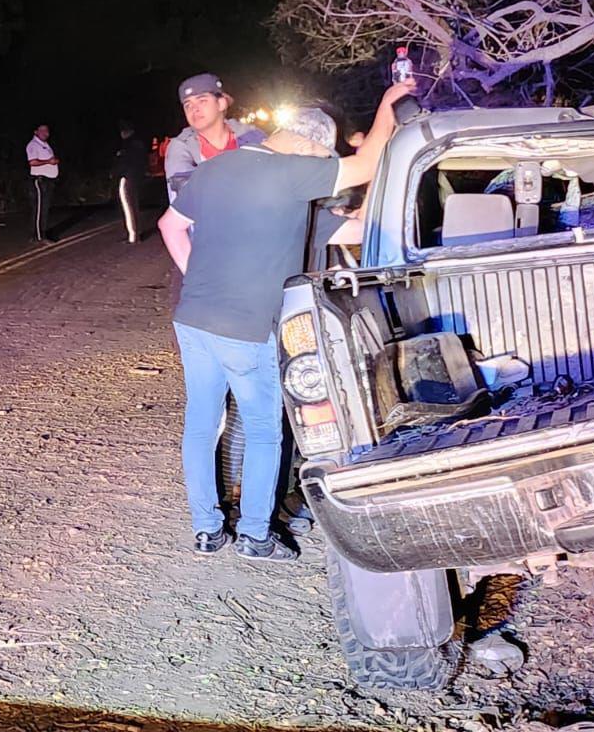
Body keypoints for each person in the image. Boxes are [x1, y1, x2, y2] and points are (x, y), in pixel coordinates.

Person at [155, 79, 418, 561]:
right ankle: (255, 534)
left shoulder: (215, 168)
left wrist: (201, 277)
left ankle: (206, 529)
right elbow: (366, 163)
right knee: (263, 429)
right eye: (321, 157)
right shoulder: (294, 172)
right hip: (246, 326)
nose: (322, 167)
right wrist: (387, 104)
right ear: (306, 144)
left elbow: (168, 226)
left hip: (193, 319)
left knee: (200, 424)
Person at [164, 74, 266, 203]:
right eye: (188, 105)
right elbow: (188, 199)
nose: (194, 109)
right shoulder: (181, 147)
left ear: (221, 103)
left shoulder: (251, 136)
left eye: (202, 101)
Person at [112, 120, 147, 244]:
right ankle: (135, 233)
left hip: (128, 178)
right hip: (136, 178)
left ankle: (133, 236)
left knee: (128, 206)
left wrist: (118, 174)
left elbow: (123, 163)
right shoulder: (139, 143)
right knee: (134, 205)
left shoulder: (128, 145)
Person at [26, 123, 59, 244]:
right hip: (40, 180)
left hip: (48, 180)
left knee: (43, 209)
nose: (46, 133)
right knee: (41, 209)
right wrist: (49, 161)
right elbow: (33, 162)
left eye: (47, 131)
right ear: (36, 132)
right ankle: (40, 236)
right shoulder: (33, 145)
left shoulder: (44, 145)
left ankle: (37, 234)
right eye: (42, 130)